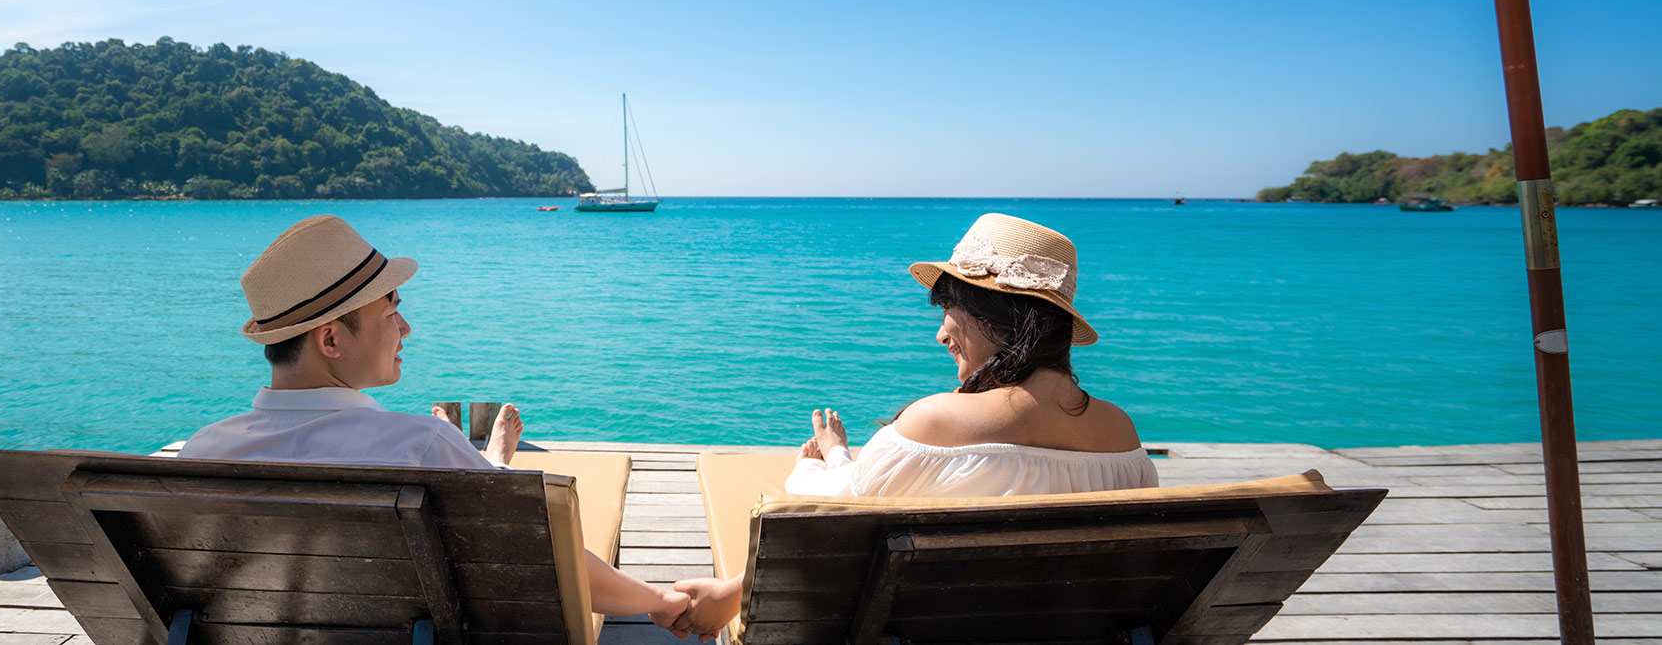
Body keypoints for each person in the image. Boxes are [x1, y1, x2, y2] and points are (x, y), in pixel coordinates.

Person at [664, 213, 1157, 639]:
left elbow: (825, 526)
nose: (941, 332)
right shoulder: (1123, 436)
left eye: (949, 307)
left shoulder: (934, 423)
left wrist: (832, 457)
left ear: (995, 312)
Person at [180, 215, 688, 624]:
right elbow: (548, 557)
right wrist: (663, 603)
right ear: (330, 340)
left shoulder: (201, 454)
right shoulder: (418, 445)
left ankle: (489, 463)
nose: (406, 327)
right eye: (390, 312)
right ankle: (491, 466)